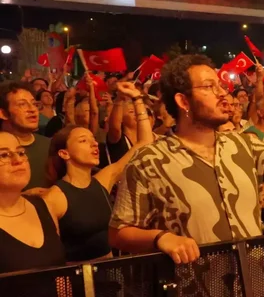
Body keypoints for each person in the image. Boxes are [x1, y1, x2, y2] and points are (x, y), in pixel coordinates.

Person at [109, 54, 264, 265]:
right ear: (183, 101)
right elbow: (119, 232)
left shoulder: (243, 145)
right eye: (209, 87)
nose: (222, 93)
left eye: (220, 85)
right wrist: (161, 238)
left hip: (254, 284)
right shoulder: (150, 160)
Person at [43, 82, 153, 262]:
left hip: (111, 275)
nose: (94, 144)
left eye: (93, 139)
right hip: (79, 281)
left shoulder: (103, 180)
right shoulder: (55, 198)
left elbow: (144, 143)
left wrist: (137, 99)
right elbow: (52, 255)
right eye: (83, 141)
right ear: (64, 153)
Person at [0, 131, 65, 274]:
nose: (18, 160)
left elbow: (60, 272)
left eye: (21, 152)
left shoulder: (42, 205)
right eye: (3, 155)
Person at [0, 81, 51, 191]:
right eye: (22, 104)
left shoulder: (50, 145)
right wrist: (21, 198)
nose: (32, 109)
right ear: (3, 113)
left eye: (34, 104)